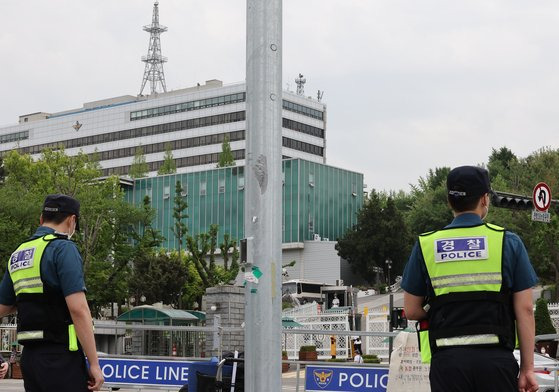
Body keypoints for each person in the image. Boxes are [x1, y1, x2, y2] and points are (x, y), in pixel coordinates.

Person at [401, 166, 539, 392]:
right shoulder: (508, 242)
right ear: (485, 199)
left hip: (447, 364)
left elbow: (412, 310)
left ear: (449, 201)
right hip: (496, 363)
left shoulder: (426, 245)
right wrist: (527, 369)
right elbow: (524, 309)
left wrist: (447, 312)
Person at [0, 194, 104, 391]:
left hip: (30, 360)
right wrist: (95, 364)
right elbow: (78, 309)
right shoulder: (64, 249)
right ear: (72, 220)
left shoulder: (19, 253)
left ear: (41, 219)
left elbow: (3, 306)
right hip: (61, 358)